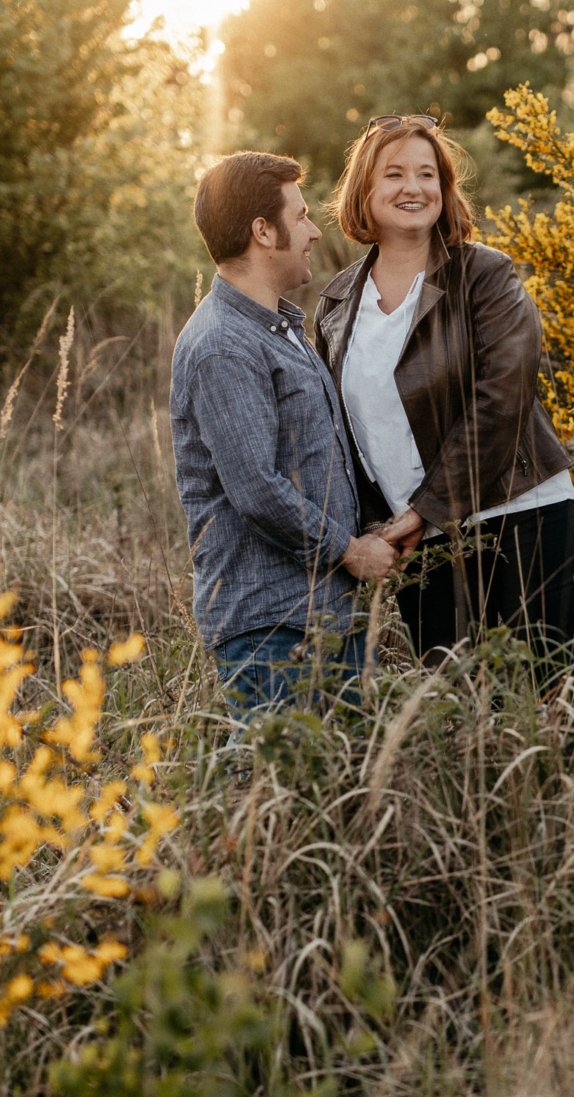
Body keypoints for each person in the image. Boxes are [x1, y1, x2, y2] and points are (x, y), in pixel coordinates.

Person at [314, 115, 574, 666]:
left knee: (559, 703)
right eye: (394, 174)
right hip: (423, 545)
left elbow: (504, 396)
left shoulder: (484, 274)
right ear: (364, 189)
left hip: (525, 518)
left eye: (427, 174)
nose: (413, 188)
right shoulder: (336, 305)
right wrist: (374, 533)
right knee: (458, 719)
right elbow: (339, 436)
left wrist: (428, 507)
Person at [171, 151, 397, 711]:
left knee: (339, 793)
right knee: (291, 793)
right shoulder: (223, 345)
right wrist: (350, 551)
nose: (315, 232)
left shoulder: (281, 328)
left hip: (322, 613)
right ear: (262, 231)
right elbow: (257, 488)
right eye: (300, 217)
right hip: (273, 628)